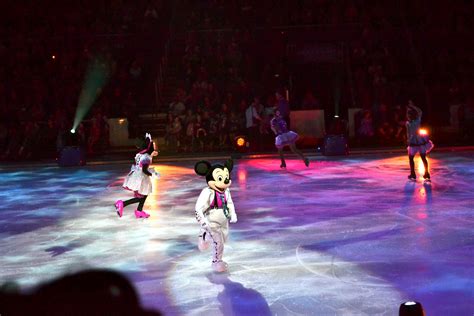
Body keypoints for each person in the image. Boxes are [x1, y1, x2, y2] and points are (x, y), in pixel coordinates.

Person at [194, 159, 237, 273]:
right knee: (219, 242)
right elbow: (199, 208)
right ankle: (216, 261)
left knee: (224, 238)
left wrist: (233, 214)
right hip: (211, 220)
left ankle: (203, 234)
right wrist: (203, 221)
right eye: (220, 178)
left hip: (223, 219)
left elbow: (229, 203)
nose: (225, 181)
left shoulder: (226, 191)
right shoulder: (208, 192)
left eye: (226, 177)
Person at [115, 133, 159, 218]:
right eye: (153, 146)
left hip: (138, 176)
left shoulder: (142, 155)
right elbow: (144, 170)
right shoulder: (146, 157)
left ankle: (139, 211)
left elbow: (141, 167)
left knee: (144, 194)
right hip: (141, 178)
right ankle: (122, 204)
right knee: (142, 196)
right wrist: (153, 174)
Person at [406, 101, 434, 181]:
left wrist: (413, 106)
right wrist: (408, 140)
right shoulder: (409, 123)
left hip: (417, 140)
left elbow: (420, 111)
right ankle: (415, 173)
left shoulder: (416, 120)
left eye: (408, 114)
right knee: (415, 158)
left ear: (411, 115)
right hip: (415, 141)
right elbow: (408, 132)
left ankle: (423, 173)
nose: (407, 116)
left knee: (420, 157)